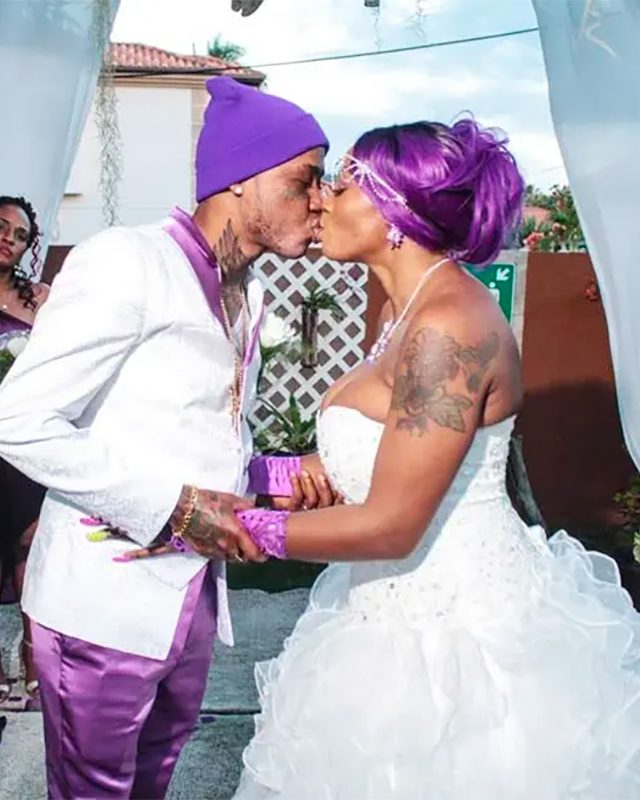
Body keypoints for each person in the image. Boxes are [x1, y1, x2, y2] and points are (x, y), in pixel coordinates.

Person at [163, 118, 638, 797]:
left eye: (342, 185)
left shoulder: (448, 327)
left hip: (456, 643)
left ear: (396, 212)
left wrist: (237, 527)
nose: (322, 200)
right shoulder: (403, 313)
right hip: (381, 609)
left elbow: (391, 524)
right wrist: (256, 475)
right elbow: (382, 456)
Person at [0, 76, 333, 799]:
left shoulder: (251, 291)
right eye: (304, 180)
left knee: (153, 785)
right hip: (102, 603)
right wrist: (176, 509)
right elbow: (18, 418)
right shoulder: (129, 260)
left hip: (191, 602)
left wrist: (280, 476)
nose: (321, 200)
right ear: (241, 177)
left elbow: (199, 433)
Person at [0, 195, 49, 708]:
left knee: (31, 548)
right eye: (1, 227)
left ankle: (35, 663)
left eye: (19, 235)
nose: (8, 240)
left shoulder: (40, 300)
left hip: (25, 443)